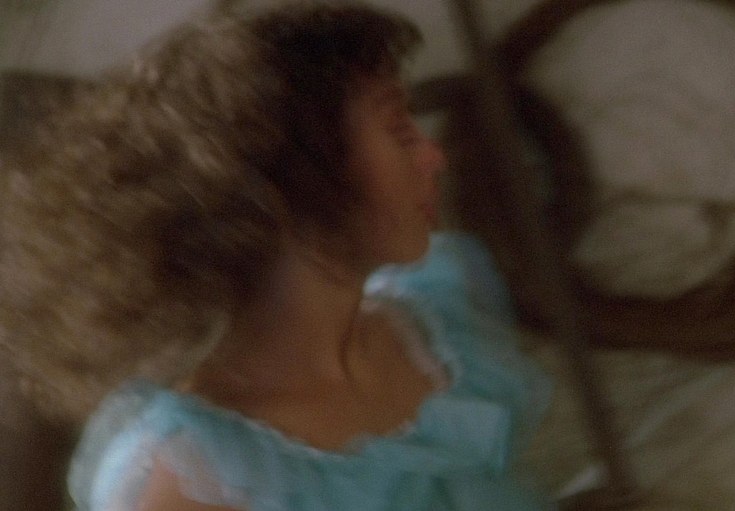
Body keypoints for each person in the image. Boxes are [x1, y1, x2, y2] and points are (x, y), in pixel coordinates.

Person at [0, 3, 554, 510]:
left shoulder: (437, 327)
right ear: (297, 179)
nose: (434, 156)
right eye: (398, 129)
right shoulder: (198, 477)